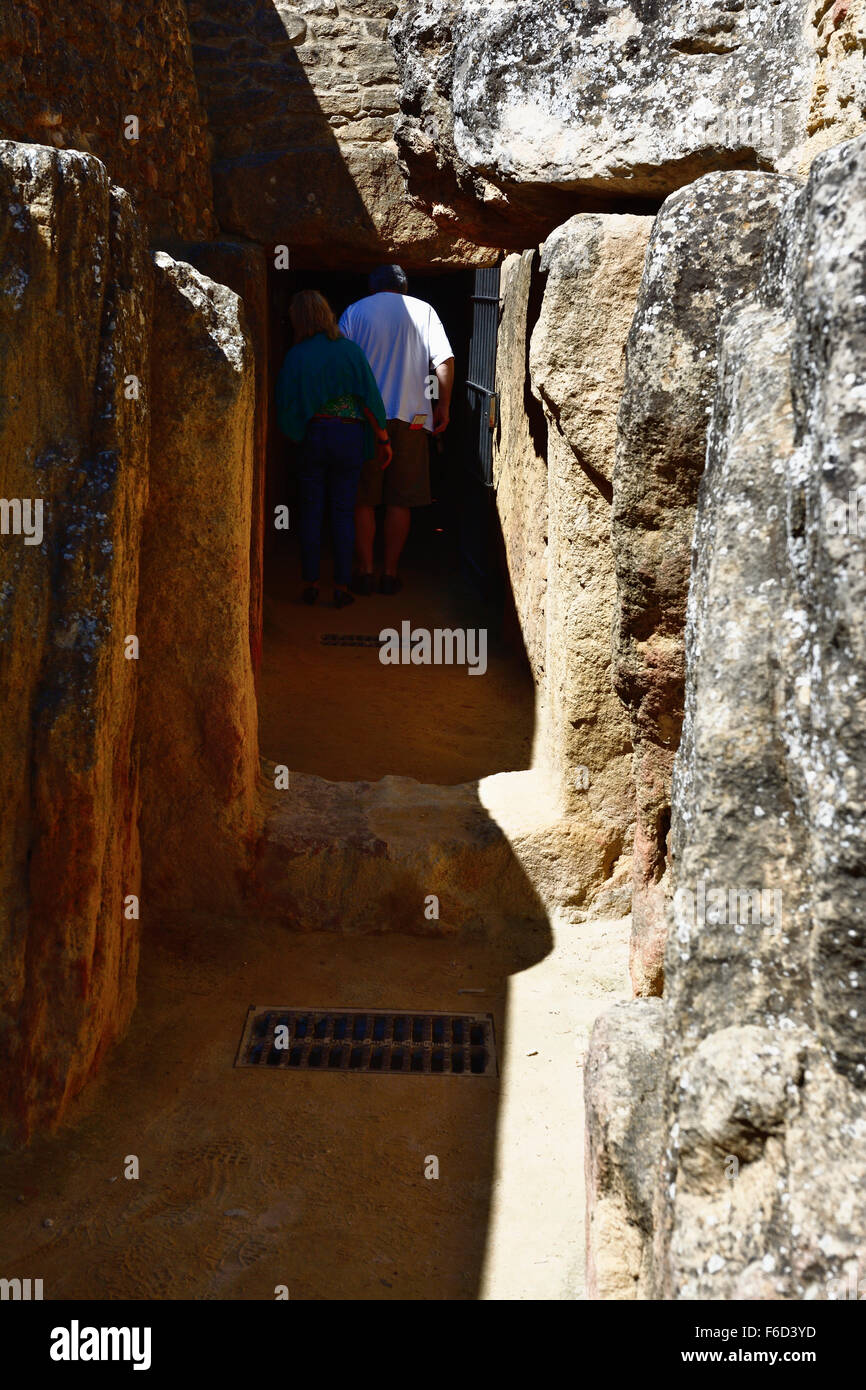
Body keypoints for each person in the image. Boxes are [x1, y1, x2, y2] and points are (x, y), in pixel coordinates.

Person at [338, 265, 455, 595]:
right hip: (414, 416)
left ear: (373, 287)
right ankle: (390, 573)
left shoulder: (354, 311)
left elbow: (341, 362)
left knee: (364, 499)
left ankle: (364, 570)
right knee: (399, 500)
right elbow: (444, 360)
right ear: (404, 287)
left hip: (364, 418)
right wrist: (442, 405)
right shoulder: (424, 311)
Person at [276, 290, 391, 608]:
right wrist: (382, 438)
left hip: (314, 436)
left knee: (311, 512)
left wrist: (297, 433)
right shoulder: (350, 352)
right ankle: (341, 586)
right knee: (343, 513)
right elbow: (368, 399)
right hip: (349, 438)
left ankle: (310, 583)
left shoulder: (296, 355)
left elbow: (286, 403)